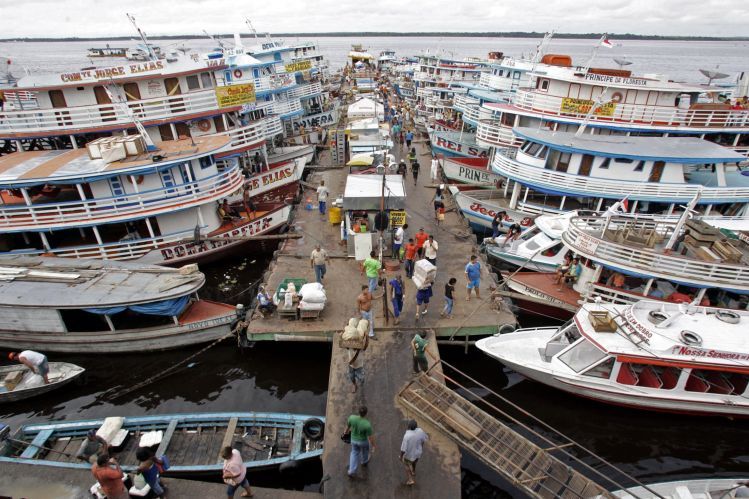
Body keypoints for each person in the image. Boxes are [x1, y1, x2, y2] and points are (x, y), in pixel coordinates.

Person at [346, 406, 375, 478]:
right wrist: (374, 445)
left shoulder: (352, 417)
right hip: (362, 441)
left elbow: (348, 427)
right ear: (366, 413)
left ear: (358, 412)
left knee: (354, 453)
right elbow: (370, 437)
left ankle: (351, 471)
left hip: (353, 440)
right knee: (365, 450)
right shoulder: (367, 424)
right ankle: (364, 462)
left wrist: (345, 432)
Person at [400, 420, 428, 486]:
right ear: (416, 427)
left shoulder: (406, 436)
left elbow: (403, 449)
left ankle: (410, 479)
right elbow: (424, 440)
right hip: (418, 452)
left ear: (409, 427)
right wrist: (420, 448)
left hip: (409, 455)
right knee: (414, 462)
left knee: (406, 465)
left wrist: (401, 457)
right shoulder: (420, 431)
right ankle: (413, 471)